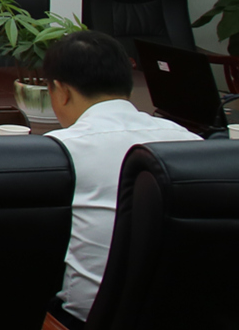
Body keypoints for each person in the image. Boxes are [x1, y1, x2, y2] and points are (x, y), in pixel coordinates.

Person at [42, 31, 198, 329]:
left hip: (84, 318)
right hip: (182, 315)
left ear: (61, 91)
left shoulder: (59, 152)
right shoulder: (189, 142)